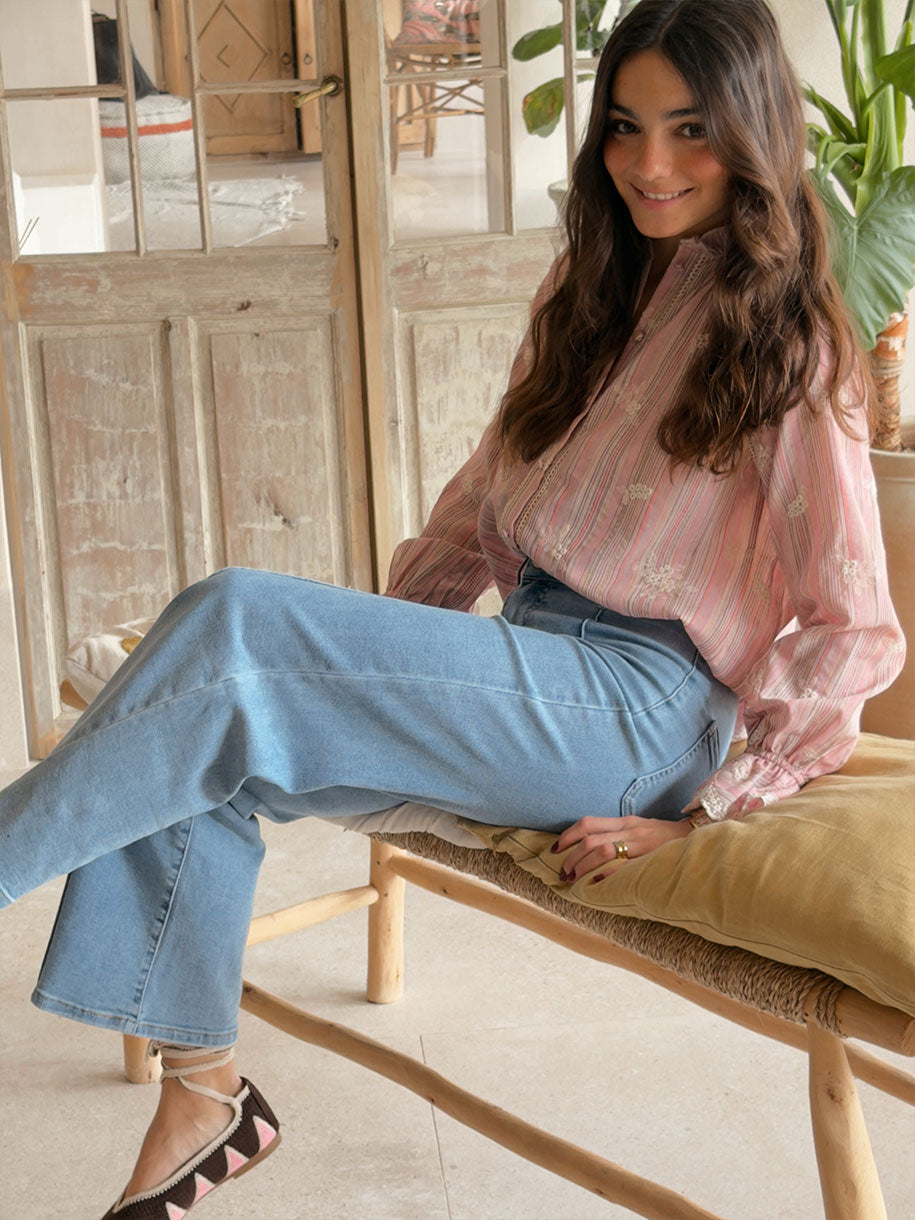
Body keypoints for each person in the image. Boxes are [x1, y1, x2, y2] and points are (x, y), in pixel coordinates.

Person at [0, 0, 904, 1216]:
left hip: (643, 713)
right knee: (203, 710)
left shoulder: (792, 343)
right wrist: (366, 658)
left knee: (228, 619)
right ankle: (205, 1091)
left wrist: (715, 809)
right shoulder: (588, 289)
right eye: (626, 126)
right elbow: (479, 503)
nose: (650, 163)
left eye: (691, 129)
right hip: (532, 657)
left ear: (752, 131)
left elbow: (854, 624)